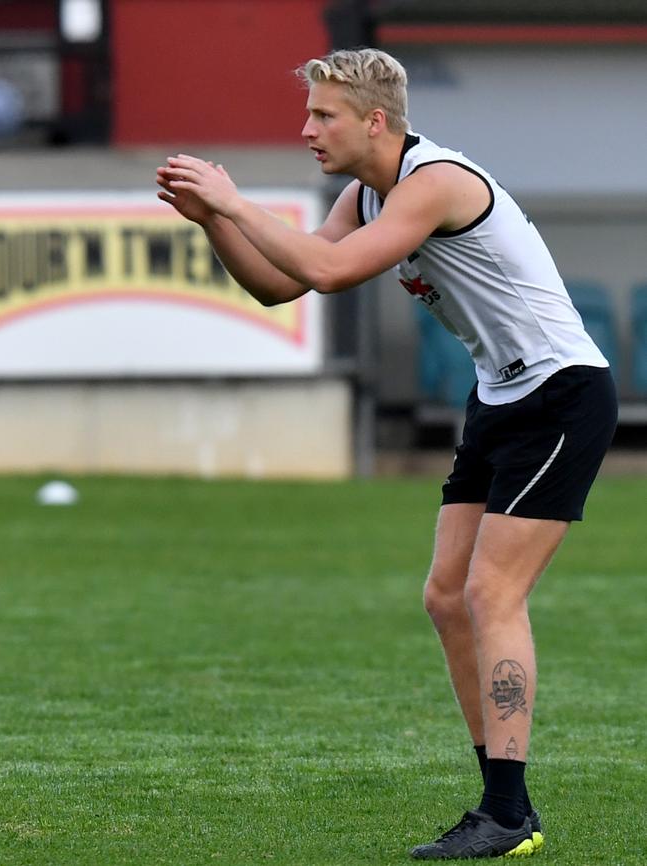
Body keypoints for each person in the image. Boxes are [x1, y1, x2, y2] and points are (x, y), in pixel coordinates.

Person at [155, 48, 617, 859]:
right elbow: (279, 286)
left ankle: (507, 813)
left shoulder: (433, 181)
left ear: (375, 120)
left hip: (561, 396)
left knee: (492, 594)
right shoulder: (364, 190)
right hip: (500, 398)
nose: (306, 130)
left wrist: (235, 198)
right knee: (446, 598)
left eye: (323, 116)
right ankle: (504, 810)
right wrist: (217, 223)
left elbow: (330, 270)